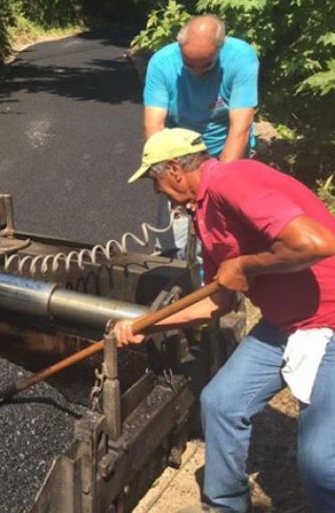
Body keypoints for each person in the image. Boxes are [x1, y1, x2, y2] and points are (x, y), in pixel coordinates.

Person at [117, 128, 335, 512]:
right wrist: (144, 325)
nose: (158, 193)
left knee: (321, 466)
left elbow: (317, 243)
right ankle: (225, 505)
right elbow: (216, 303)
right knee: (220, 402)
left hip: (328, 323)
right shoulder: (205, 215)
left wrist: (247, 265)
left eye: (155, 182)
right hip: (284, 325)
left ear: (174, 171)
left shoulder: (233, 181)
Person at [143, 15, 259, 260]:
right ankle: (172, 266)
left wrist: (217, 188)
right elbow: (154, 127)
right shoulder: (162, 63)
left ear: (220, 48)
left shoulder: (240, 57)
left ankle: (224, 280)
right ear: (179, 47)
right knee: (176, 234)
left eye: (205, 65)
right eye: (189, 64)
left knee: (222, 229)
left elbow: (240, 127)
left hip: (226, 149)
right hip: (181, 155)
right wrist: (169, 177)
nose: (196, 71)